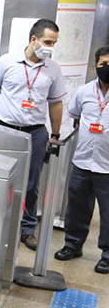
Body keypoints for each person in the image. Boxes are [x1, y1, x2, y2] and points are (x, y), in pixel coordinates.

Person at [0, 18, 65, 250]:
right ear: (33, 39)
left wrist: (55, 133)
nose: (50, 47)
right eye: (47, 41)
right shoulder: (7, 62)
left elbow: (55, 103)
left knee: (32, 185)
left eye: (54, 43)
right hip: (5, 130)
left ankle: (27, 229)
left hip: (35, 133)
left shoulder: (53, 69)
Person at [54, 46, 109, 274]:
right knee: (76, 207)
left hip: (107, 166)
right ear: (95, 65)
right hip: (83, 162)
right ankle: (72, 245)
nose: (107, 68)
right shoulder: (85, 91)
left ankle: (106, 254)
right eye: (104, 63)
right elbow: (75, 116)